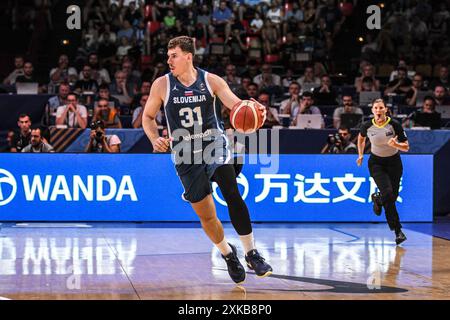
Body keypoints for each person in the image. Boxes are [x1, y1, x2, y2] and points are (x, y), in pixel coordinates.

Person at [142, 36, 272, 284]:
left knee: (232, 192)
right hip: (184, 153)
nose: (169, 60)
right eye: (168, 56)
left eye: (174, 56)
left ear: (188, 56)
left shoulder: (211, 80)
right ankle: (227, 253)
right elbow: (148, 117)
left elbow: (237, 107)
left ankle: (252, 253)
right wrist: (153, 138)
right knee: (207, 216)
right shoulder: (161, 85)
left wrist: (256, 111)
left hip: (214, 144)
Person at [356, 98, 409, 245]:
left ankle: (378, 200)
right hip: (376, 163)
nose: (378, 111)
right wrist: (360, 154)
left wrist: (396, 144)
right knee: (388, 193)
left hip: (394, 163)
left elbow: (406, 146)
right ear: (372, 110)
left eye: (381, 108)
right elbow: (361, 139)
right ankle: (398, 231)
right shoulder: (367, 125)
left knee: (392, 196)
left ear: (385, 109)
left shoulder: (394, 125)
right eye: (376, 108)